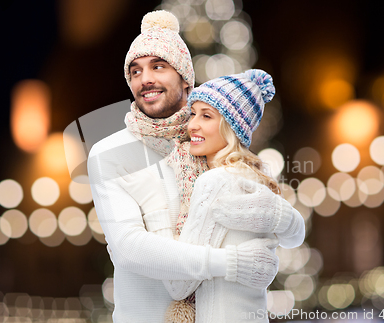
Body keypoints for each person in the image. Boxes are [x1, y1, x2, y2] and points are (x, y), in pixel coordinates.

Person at [87, 11, 287, 322]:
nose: (145, 79)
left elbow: (258, 223)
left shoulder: (211, 141)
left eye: (159, 66)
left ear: (184, 77)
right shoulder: (109, 154)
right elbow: (130, 247)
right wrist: (230, 263)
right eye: (135, 71)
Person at [120, 69, 306, 322]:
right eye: (193, 113)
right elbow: (295, 235)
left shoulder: (214, 181)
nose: (193, 124)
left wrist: (154, 213)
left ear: (232, 128)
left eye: (207, 116)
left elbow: (178, 284)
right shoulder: (255, 179)